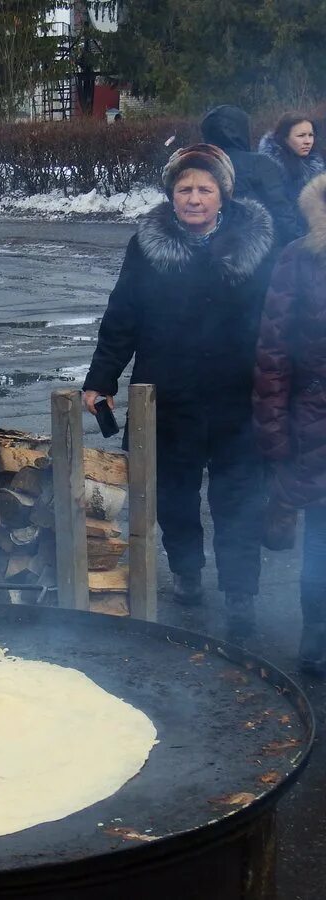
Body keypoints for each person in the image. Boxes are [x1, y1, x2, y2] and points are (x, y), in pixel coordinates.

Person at [82, 144, 278, 641]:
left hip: (239, 396)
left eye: (204, 189)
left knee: (239, 497)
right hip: (167, 393)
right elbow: (123, 314)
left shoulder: (256, 244)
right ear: (171, 194)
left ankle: (240, 593)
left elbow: (280, 321)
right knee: (173, 494)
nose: (193, 198)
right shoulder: (147, 244)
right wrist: (101, 378)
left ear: (223, 194)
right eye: (184, 188)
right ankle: (187, 572)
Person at [253, 172, 326, 673]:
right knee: (322, 541)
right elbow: (273, 356)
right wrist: (275, 435)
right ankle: (318, 635)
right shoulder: (300, 258)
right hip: (316, 425)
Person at [202, 104, 300, 246]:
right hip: (262, 250)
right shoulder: (260, 163)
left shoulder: (200, 165)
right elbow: (281, 209)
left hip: (217, 249)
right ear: (242, 130)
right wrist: (294, 243)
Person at [259, 113, 325, 239]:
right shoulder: (269, 167)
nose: (308, 141)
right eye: (301, 136)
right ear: (285, 138)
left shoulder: (318, 163)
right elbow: (279, 211)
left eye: (311, 135)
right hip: (287, 240)